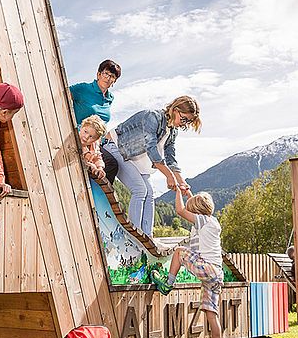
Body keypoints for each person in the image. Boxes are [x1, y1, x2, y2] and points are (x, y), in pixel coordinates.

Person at [151, 190, 228, 338]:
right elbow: (195, 206)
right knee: (211, 312)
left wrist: (177, 191)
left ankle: (167, 283)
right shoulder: (211, 222)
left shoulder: (202, 221)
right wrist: (188, 194)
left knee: (179, 252)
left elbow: (180, 210)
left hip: (208, 268)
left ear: (197, 212)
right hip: (217, 274)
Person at [102, 95, 200, 236]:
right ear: (175, 110)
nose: (183, 124)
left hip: (134, 159)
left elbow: (170, 158)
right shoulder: (152, 117)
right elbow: (151, 147)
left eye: (187, 122)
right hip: (116, 148)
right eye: (183, 119)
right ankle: (135, 236)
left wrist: (183, 184)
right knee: (140, 190)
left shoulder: (172, 131)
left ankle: (147, 236)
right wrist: (168, 175)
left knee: (150, 194)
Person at [69, 60, 120, 183]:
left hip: (96, 142)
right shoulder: (83, 88)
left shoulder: (109, 98)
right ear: (98, 74)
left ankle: (97, 196)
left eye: (112, 76)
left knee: (110, 165)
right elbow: (61, 94)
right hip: (81, 137)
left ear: (114, 81)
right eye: (106, 74)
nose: (108, 78)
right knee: (109, 164)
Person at [78, 115, 107, 181]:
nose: (86, 137)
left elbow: (97, 157)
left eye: (91, 136)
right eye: (85, 132)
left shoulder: (94, 146)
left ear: (95, 139)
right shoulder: (74, 138)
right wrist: (91, 165)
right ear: (82, 127)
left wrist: (100, 168)